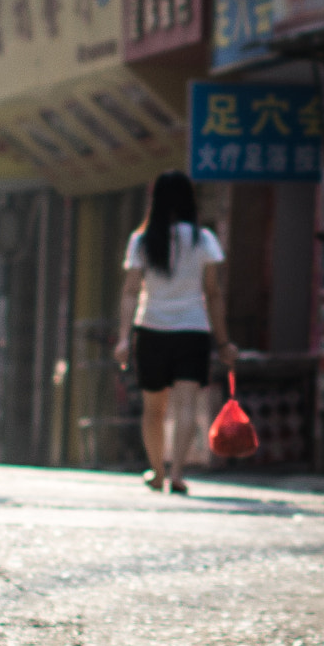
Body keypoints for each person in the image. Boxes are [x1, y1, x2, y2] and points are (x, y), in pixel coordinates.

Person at [115, 169, 237, 495]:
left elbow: (130, 291)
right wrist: (223, 341)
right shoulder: (203, 240)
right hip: (192, 330)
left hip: (151, 328)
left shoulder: (141, 240)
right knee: (186, 407)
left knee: (154, 409)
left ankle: (156, 471)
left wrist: (124, 338)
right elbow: (213, 293)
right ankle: (179, 473)